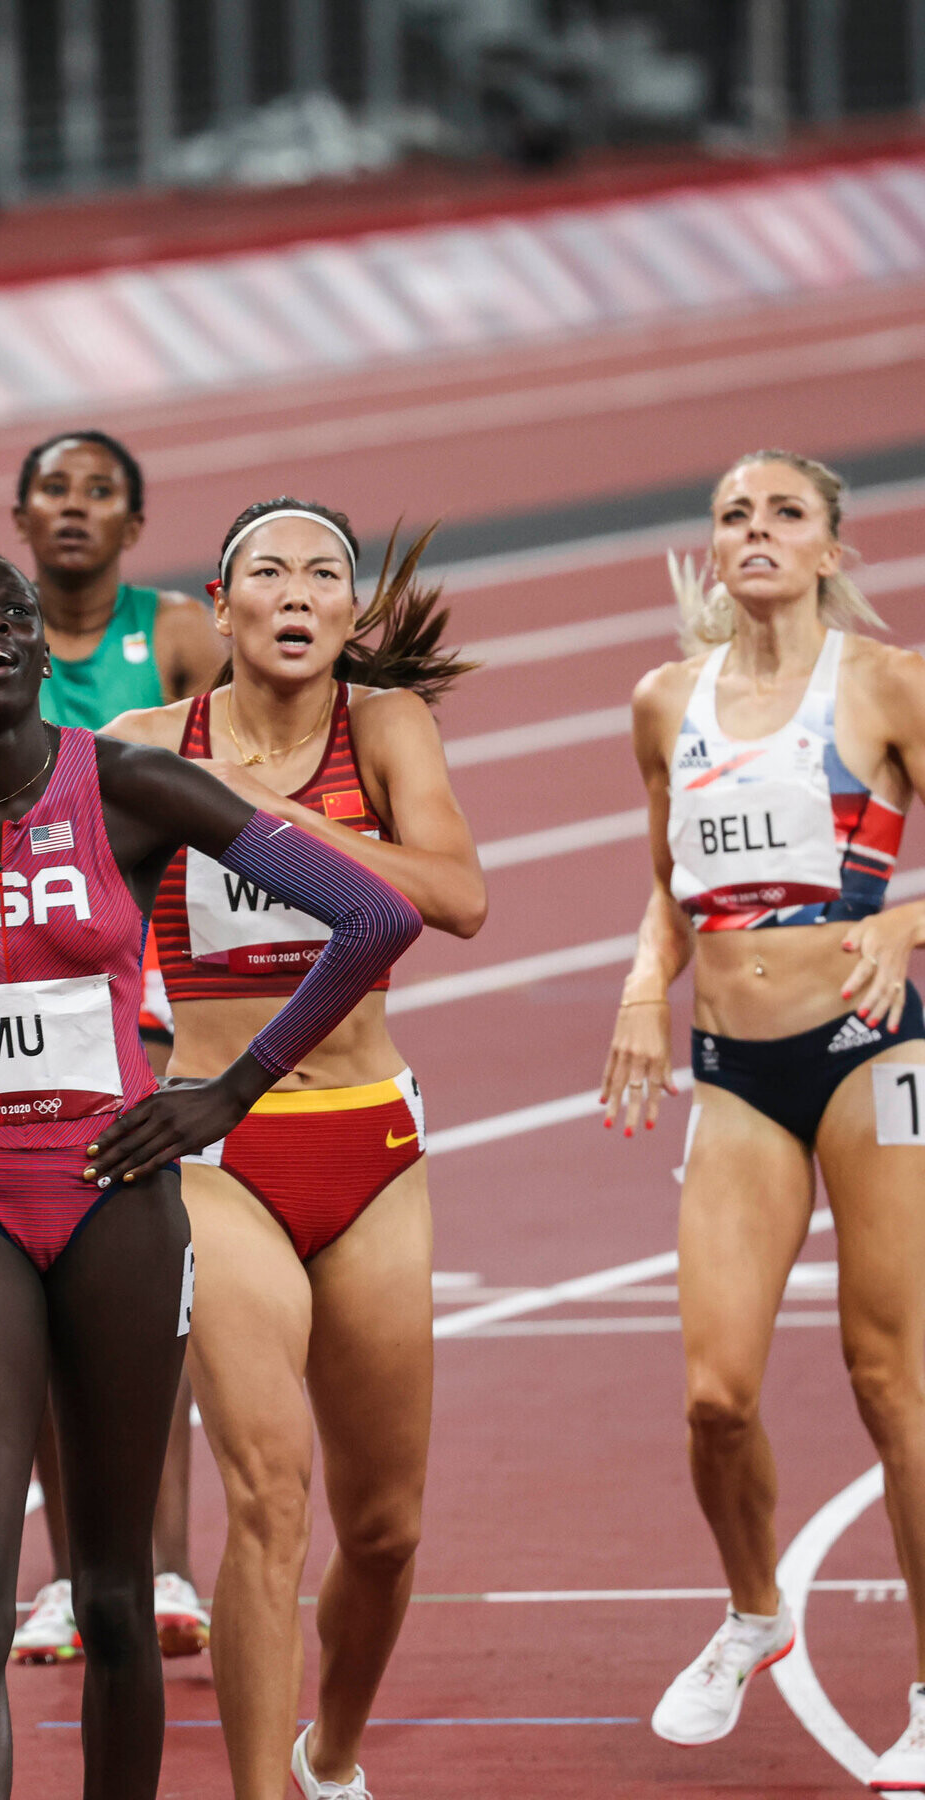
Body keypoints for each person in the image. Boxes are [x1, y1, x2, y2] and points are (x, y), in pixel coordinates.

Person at [0, 549, 420, 1799]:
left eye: (10, 613)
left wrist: (232, 1090)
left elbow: (373, 916)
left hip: (116, 1203)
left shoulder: (129, 787)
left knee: (119, 1598)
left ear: (42, 655)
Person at [107, 500, 484, 1800]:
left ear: (348, 611)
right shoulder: (145, 745)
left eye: (325, 572)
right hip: (217, 1146)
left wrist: (268, 819)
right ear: (221, 606)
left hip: (367, 1142)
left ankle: (331, 1756)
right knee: (268, 1499)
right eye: (268, 571)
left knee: (382, 1530)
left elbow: (460, 897)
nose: (298, 591)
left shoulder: (386, 728)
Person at [600, 450, 925, 1785]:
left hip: (868, 1054)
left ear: (831, 549)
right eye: (734, 513)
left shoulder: (885, 685)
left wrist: (906, 918)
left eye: (785, 513)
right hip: (735, 1069)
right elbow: (668, 883)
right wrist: (643, 986)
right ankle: (754, 1612)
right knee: (715, 1399)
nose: (755, 531)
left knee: (891, 1382)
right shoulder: (665, 702)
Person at [9, 429, 225, 1661]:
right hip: (30, 1005)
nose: (77, 507)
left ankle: (170, 1570)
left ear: (134, 526)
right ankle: (66, 1581)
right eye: (56, 489)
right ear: (22, 517)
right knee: (42, 1293)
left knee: (152, 1293)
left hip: (150, 1000)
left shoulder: (178, 637)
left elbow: (227, 791)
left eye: (101, 492)